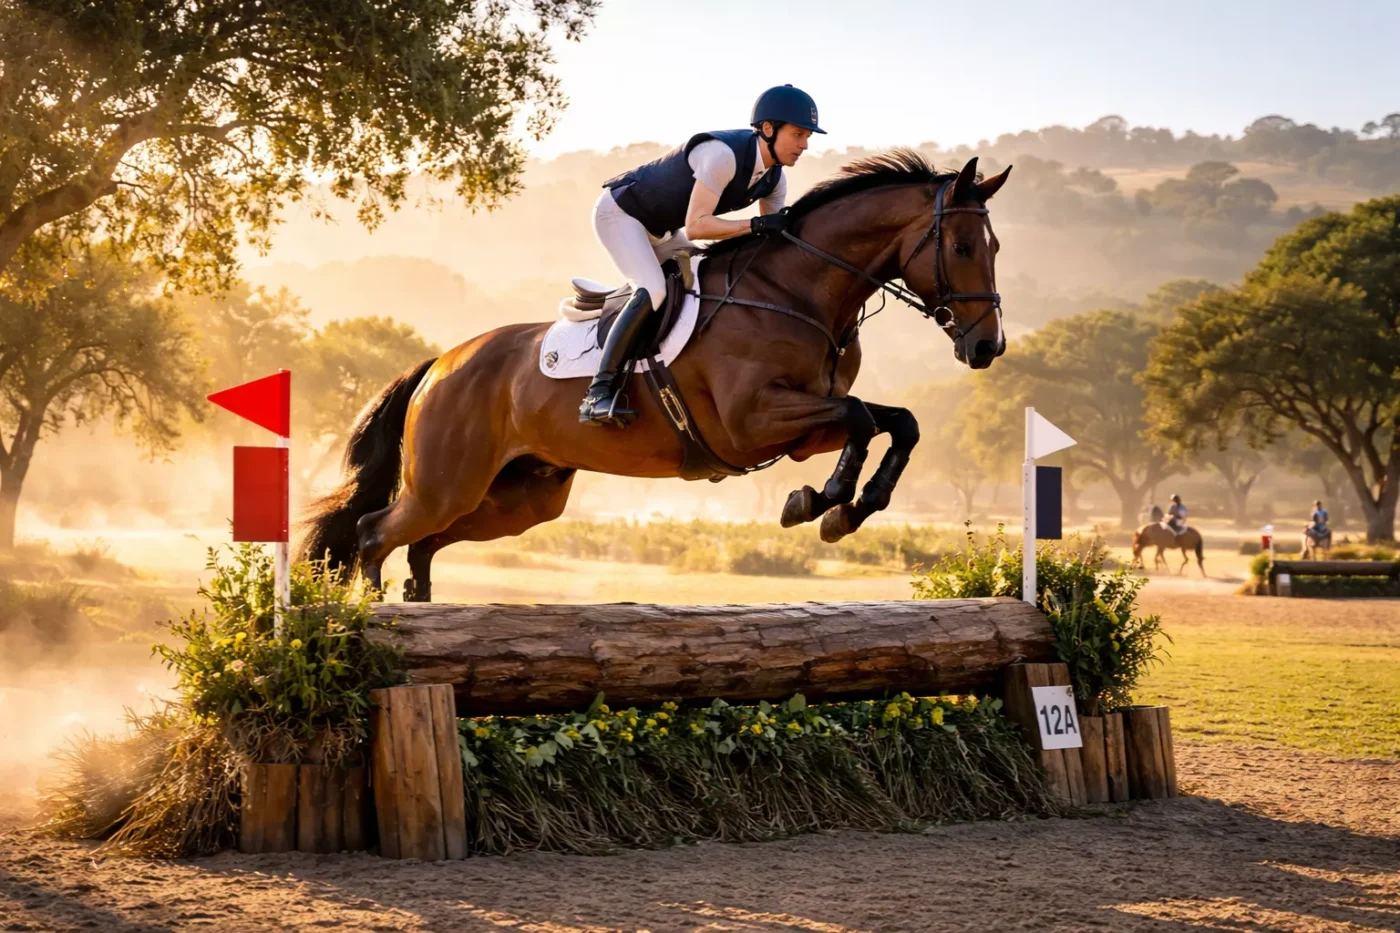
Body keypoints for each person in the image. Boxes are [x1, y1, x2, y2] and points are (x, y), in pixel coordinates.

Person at [578, 85, 825, 427]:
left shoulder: (774, 180)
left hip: (662, 231)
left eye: (808, 136)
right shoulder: (722, 155)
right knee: (654, 288)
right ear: (768, 129)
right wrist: (755, 223)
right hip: (621, 214)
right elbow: (696, 227)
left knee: (707, 270)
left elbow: (769, 237)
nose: (805, 145)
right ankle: (597, 393)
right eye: (798, 134)